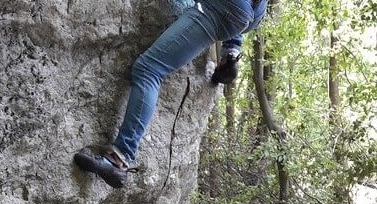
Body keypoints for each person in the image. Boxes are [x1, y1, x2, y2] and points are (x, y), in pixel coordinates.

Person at [73, 0, 268, 188]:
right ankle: (231, 52)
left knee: (148, 69)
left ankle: (119, 158)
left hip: (227, 8)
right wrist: (231, 49)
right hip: (251, 13)